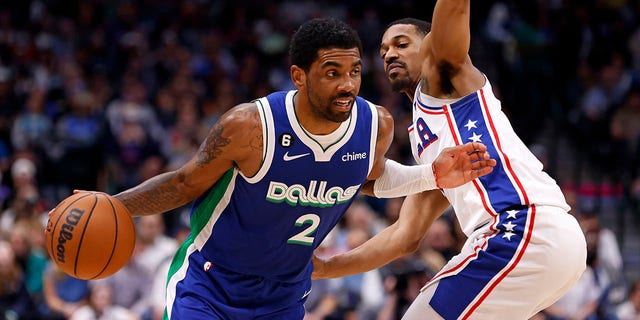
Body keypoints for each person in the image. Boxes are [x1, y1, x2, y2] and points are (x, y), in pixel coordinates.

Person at [57, 17, 495, 319]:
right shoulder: (250, 126)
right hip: (210, 286)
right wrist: (110, 203)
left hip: (284, 296)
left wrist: (430, 174)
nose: (347, 84)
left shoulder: (374, 124)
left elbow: (368, 177)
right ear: (299, 76)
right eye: (331, 72)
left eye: (355, 71)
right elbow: (184, 184)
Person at [311, 3, 588, 319]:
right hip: (544, 245)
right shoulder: (429, 147)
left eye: (402, 44)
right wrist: (326, 268)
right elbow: (404, 234)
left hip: (521, 230)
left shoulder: (446, 76)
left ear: (430, 45)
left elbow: (454, 9)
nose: (389, 54)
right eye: (384, 49)